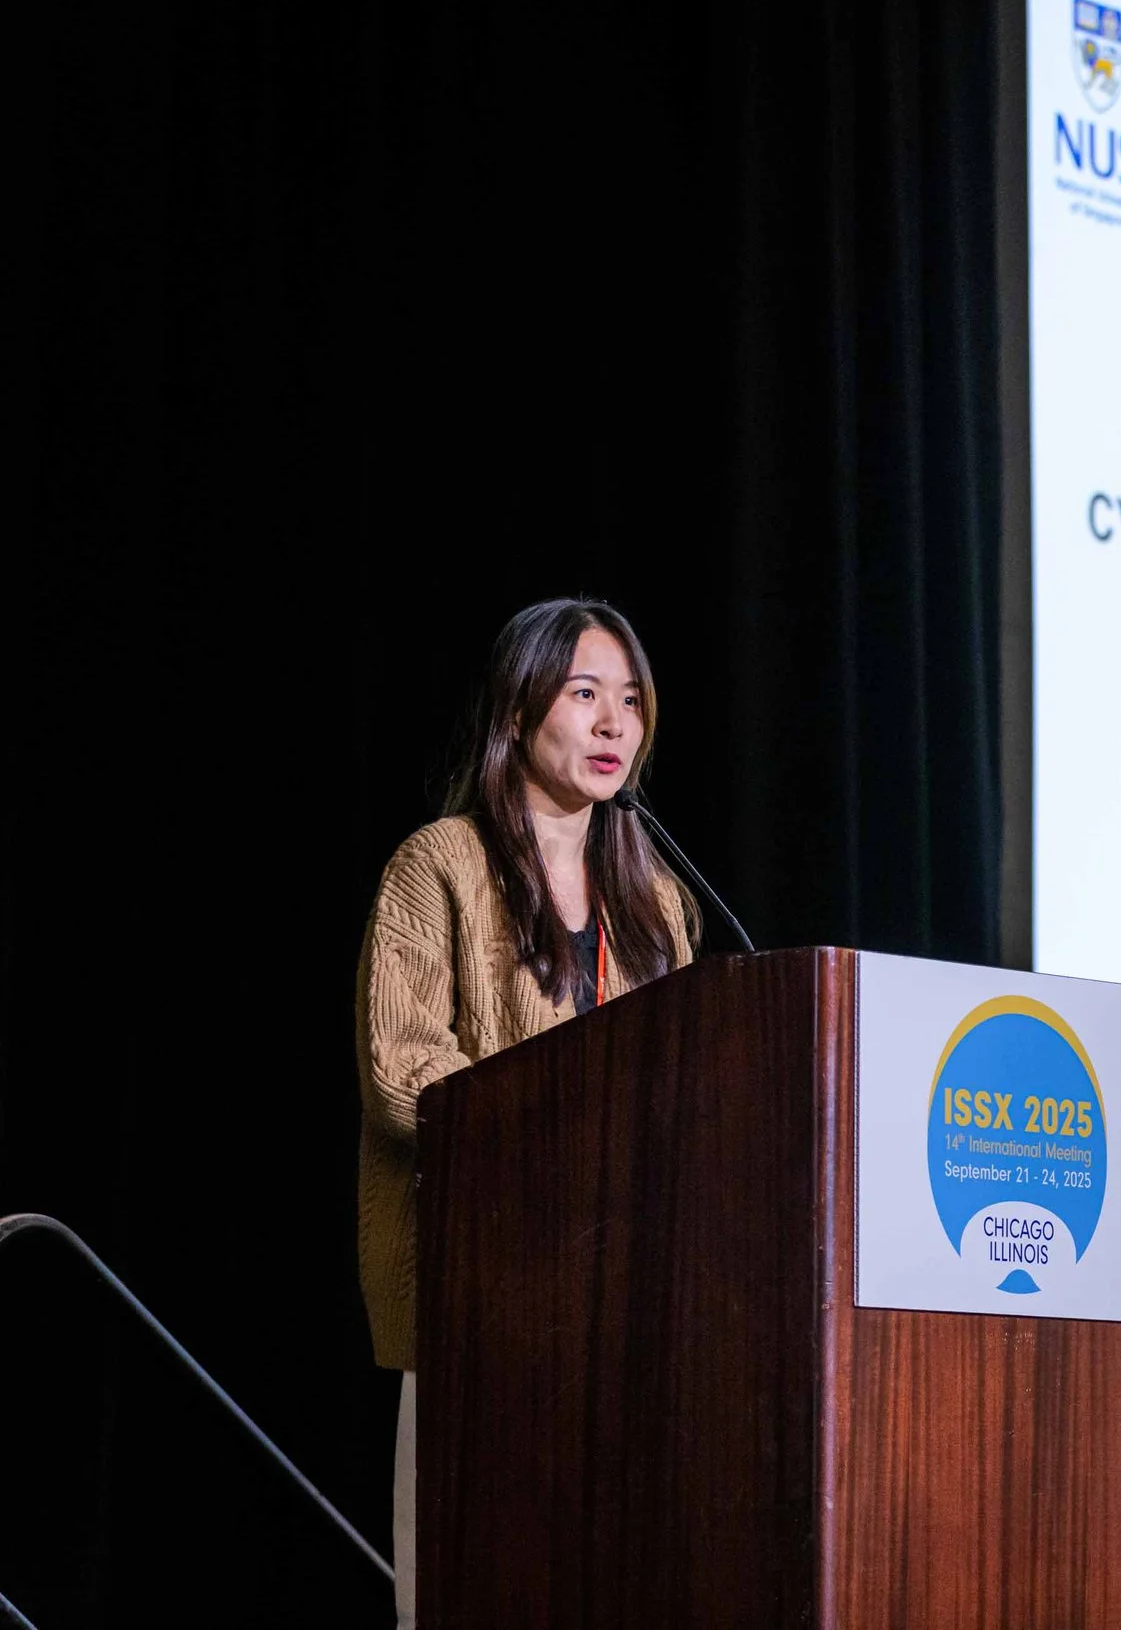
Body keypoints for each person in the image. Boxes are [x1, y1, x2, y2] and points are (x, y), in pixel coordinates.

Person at [354, 598, 698, 1626]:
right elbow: (401, 1068)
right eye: (584, 693)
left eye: (630, 701)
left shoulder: (660, 900)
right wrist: (562, 1131)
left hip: (633, 1299)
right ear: (515, 713)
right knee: (475, 1586)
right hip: (483, 1291)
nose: (613, 725)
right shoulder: (439, 865)